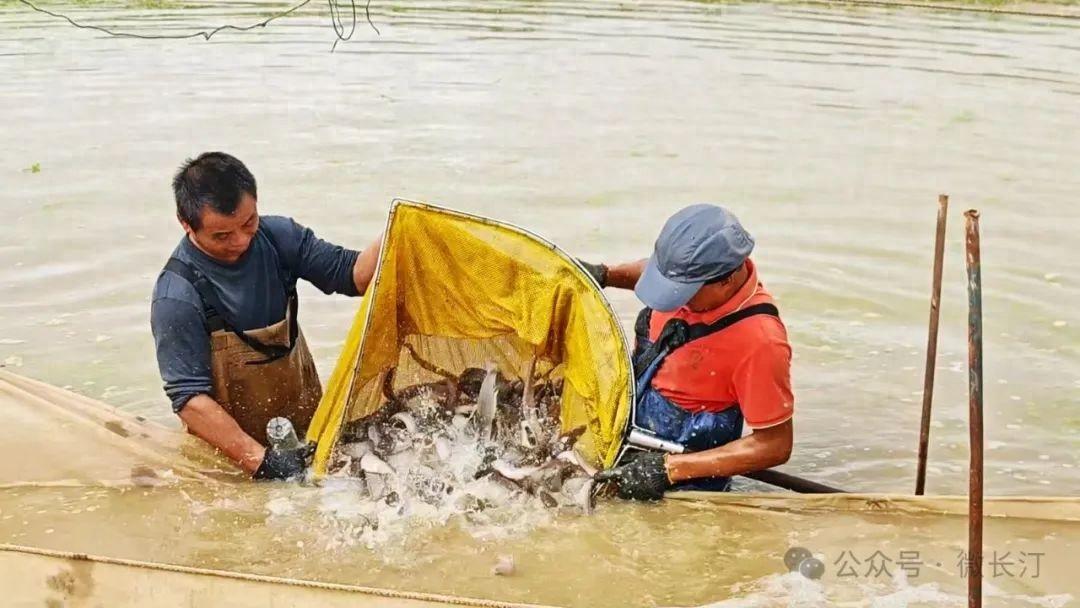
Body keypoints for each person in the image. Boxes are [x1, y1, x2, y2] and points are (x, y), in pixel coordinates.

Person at [151, 152, 380, 480]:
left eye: (248, 223)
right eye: (222, 236)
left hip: (304, 425)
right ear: (186, 224)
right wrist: (262, 462)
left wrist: (397, 228)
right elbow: (189, 400)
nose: (241, 241)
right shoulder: (176, 295)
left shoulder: (278, 237)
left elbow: (354, 276)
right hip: (233, 457)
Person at [582, 204, 794, 500]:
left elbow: (774, 444)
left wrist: (668, 469)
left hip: (679, 475)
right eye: (667, 285)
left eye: (683, 291)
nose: (673, 299)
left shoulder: (761, 343)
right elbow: (654, 272)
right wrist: (604, 274)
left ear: (726, 280)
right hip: (628, 419)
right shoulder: (690, 275)